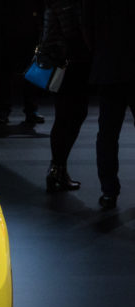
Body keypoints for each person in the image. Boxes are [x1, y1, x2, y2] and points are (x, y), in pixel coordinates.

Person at [84, 0, 135, 210]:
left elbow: (87, 27)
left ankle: (109, 191)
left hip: (109, 67)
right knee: (107, 135)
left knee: (107, 134)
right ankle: (108, 189)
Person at [38, 0, 91, 193]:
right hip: (71, 64)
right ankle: (57, 168)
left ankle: (57, 169)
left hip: (61, 62)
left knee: (64, 116)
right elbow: (74, 33)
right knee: (73, 115)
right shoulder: (67, 3)